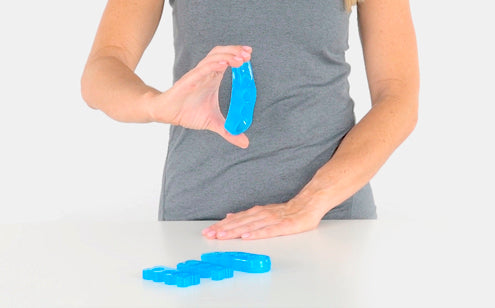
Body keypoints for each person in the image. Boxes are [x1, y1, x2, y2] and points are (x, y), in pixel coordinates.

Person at [81, 0, 419, 240]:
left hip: (329, 221)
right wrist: (155, 104)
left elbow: (398, 96)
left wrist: (309, 203)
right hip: (201, 224)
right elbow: (103, 66)